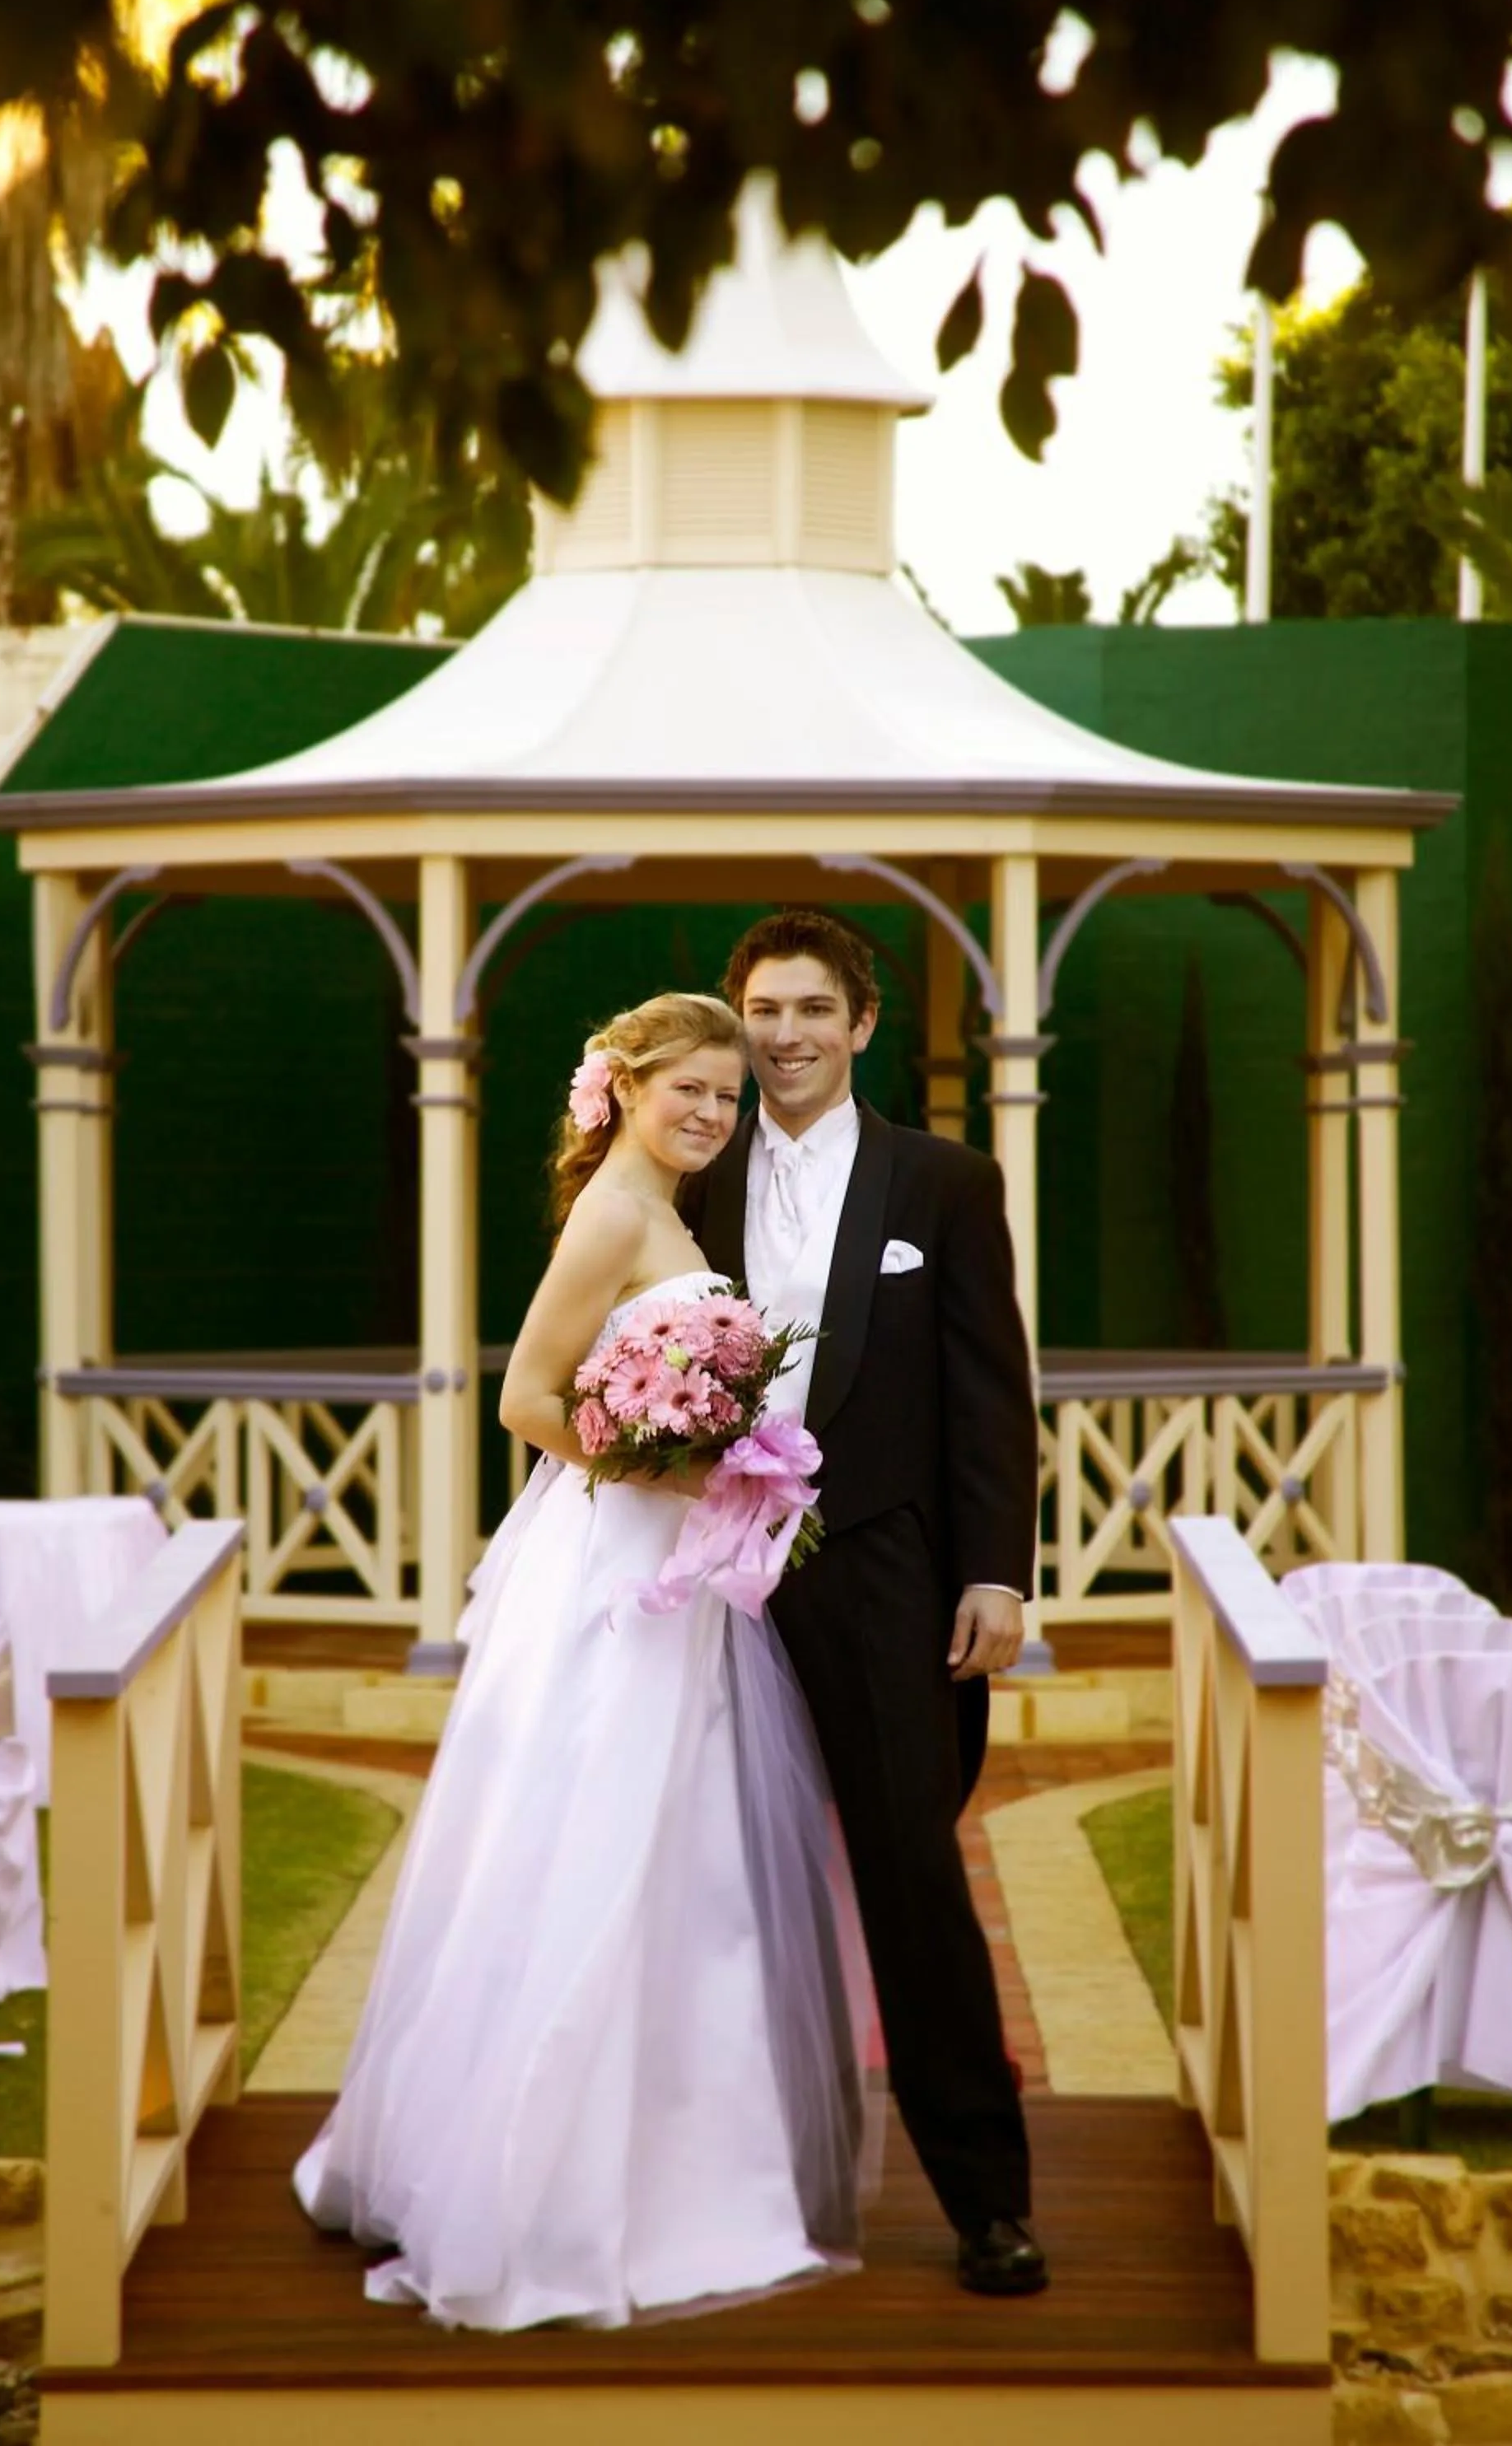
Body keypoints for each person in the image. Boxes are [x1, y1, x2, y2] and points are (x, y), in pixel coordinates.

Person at [293, 990, 871, 2331]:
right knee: (590, 1833)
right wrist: (673, 1459)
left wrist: (728, 1464)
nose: (714, 1115)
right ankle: (541, 2187)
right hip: (614, 1569)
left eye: (729, 1097)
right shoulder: (617, 1212)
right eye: (691, 1091)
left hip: (669, 1566)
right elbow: (525, 1399)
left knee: (680, 1853)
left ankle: (682, 2168)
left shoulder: (667, 1213)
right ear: (621, 1082)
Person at [679, 910, 1047, 2298]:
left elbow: (986, 1393)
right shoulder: (684, 1175)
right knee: (702, 1880)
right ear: (734, 1018)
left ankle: (986, 2199)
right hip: (709, 1579)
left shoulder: (943, 1183)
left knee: (912, 1876)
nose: (785, 1036)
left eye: (813, 1010)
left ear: (862, 1024)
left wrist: (995, 1570)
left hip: (886, 1572)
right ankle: (708, 2175)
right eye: (764, 1009)